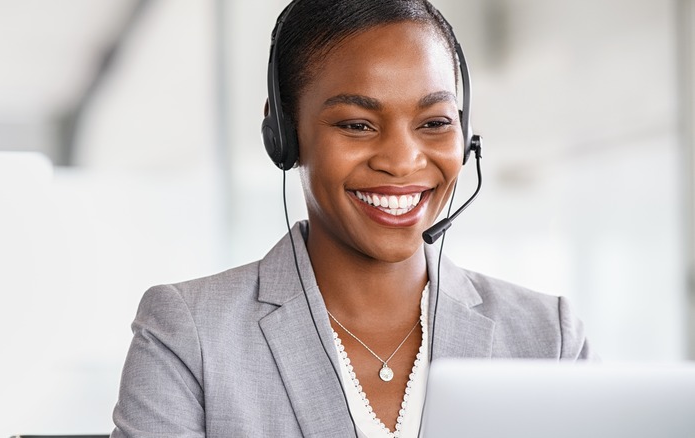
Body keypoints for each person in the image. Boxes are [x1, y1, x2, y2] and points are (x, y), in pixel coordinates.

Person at [110, 1, 595, 437]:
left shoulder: (547, 338)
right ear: (284, 134)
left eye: (434, 123)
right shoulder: (189, 335)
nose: (401, 162)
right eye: (357, 125)